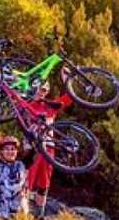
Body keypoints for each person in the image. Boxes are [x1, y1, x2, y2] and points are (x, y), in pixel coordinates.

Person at [24, 82, 73, 212]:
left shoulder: (50, 105)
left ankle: (40, 212)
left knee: (44, 182)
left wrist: (67, 80)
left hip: (48, 148)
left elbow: (69, 97)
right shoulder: (25, 103)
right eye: (40, 88)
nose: (41, 91)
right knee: (27, 180)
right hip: (32, 147)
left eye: (45, 89)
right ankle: (22, 212)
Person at [0, 135, 29, 218]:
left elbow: (37, 150)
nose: (10, 152)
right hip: (0, 208)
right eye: (6, 149)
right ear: (1, 152)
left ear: (17, 151)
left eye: (13, 149)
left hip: (19, 208)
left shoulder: (22, 164)